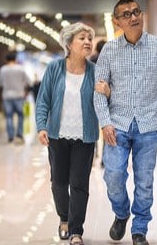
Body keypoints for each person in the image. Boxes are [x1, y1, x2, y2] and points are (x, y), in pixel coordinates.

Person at [93, 0, 157, 245]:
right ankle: (122, 213)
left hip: (148, 126)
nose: (133, 17)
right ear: (117, 21)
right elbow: (98, 91)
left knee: (145, 181)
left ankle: (139, 228)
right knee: (113, 176)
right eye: (127, 14)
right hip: (116, 125)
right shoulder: (108, 50)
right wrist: (105, 122)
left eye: (136, 12)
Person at [35, 22, 110, 245]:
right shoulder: (54, 68)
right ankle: (64, 218)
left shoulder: (96, 72)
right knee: (58, 183)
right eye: (82, 38)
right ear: (69, 43)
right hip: (57, 135)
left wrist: (108, 92)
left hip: (84, 137)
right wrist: (41, 126)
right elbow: (43, 101)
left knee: (79, 184)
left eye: (90, 38)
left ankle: (76, 230)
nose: (88, 42)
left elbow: (106, 105)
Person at [0, 51, 31, 143]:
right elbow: (28, 81)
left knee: (9, 116)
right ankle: (19, 135)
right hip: (19, 95)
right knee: (21, 115)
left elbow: (0, 82)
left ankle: (10, 136)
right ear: (15, 59)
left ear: (6, 60)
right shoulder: (20, 69)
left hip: (7, 96)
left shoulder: (3, 70)